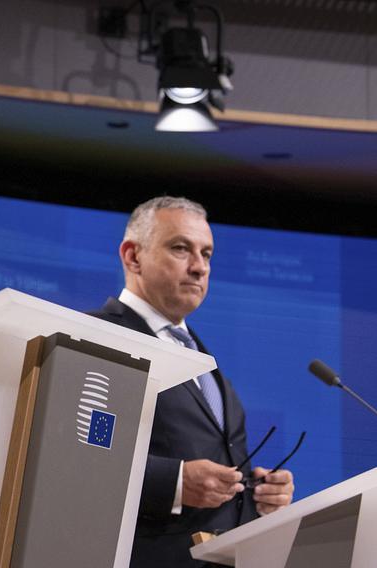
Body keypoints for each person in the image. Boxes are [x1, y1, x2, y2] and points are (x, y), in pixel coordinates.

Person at [89, 197, 294, 568]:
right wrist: (176, 481)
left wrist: (259, 495)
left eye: (207, 254)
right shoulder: (96, 336)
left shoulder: (201, 355)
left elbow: (217, 467)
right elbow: (85, 451)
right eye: (181, 248)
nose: (199, 267)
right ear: (133, 257)